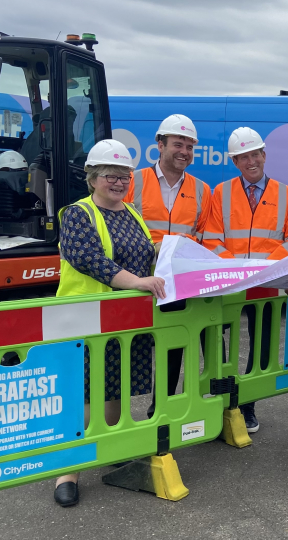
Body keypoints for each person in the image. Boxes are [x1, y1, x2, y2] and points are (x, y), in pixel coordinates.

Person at [53, 139, 167, 508]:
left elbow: (146, 254)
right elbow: (90, 259)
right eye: (109, 176)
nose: (118, 182)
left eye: (124, 176)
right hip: (84, 321)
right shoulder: (77, 214)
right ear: (92, 178)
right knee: (85, 395)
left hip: (125, 321)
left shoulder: (132, 213)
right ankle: (67, 472)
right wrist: (135, 282)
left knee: (114, 390)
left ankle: (109, 448)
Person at [202, 127, 288, 433]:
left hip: (267, 286)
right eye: (242, 157)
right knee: (216, 343)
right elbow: (211, 238)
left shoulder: (285, 195)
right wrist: (235, 270)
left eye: (254, 155)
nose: (250, 162)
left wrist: (264, 270)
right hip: (230, 285)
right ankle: (223, 399)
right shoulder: (222, 193)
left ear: (264, 155)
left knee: (262, 349)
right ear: (235, 161)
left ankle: (248, 404)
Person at [123, 114, 212, 400]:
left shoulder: (201, 190)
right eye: (178, 144)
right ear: (160, 145)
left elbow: (204, 238)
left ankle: (161, 409)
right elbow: (118, 229)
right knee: (131, 349)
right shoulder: (133, 182)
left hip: (177, 284)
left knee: (172, 348)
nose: (184, 152)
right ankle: (122, 417)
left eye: (189, 146)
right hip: (137, 281)